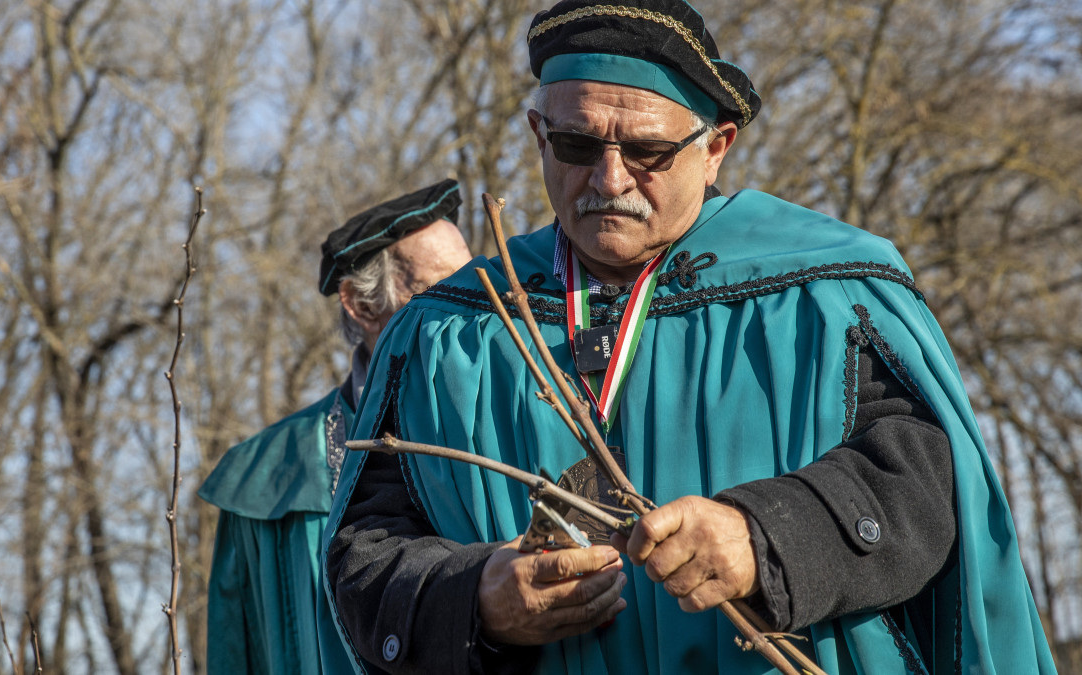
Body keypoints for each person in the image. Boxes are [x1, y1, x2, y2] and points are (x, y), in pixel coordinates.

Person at [323, 2, 1057, 674]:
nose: (608, 179)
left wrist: (767, 536)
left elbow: (925, 488)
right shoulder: (446, 329)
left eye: (648, 152)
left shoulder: (831, 294)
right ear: (537, 133)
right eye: (577, 144)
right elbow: (365, 553)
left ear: (716, 147)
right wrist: (474, 599)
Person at [199, 179, 473, 674]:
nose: (472, 307)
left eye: (473, 284)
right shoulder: (267, 472)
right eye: (440, 290)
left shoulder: (507, 419)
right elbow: (235, 653)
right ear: (362, 305)